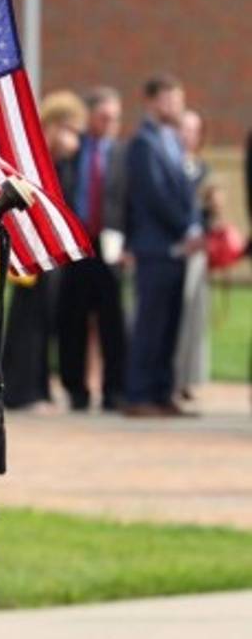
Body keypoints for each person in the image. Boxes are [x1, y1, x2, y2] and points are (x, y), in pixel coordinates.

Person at [123, 74, 201, 417]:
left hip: (177, 249)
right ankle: (139, 394)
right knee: (151, 325)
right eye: (171, 99)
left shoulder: (171, 140)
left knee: (170, 324)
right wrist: (187, 228)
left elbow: (186, 189)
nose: (177, 106)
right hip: (155, 248)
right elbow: (155, 195)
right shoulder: (144, 143)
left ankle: (161, 391)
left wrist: (196, 225)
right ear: (152, 101)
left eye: (179, 100)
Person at [3, 90, 85, 411]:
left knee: (43, 319)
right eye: (70, 130)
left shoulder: (60, 163)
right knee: (28, 320)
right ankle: (21, 390)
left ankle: (37, 386)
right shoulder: (37, 159)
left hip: (52, 248)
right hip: (33, 247)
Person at [56, 86, 128, 412]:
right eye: (105, 117)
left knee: (113, 322)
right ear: (91, 118)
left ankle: (114, 391)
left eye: (115, 117)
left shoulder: (123, 154)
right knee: (72, 320)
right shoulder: (72, 151)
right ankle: (76, 390)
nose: (111, 123)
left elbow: (132, 203)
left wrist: (131, 243)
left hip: (111, 246)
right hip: (77, 246)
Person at [173, 109, 211, 400]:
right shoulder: (166, 163)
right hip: (170, 249)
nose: (187, 135)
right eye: (183, 129)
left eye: (193, 130)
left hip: (196, 252)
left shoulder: (203, 170)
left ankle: (186, 378)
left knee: (193, 317)